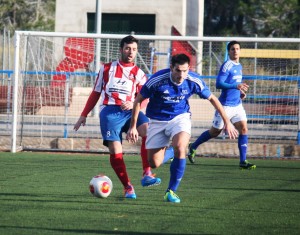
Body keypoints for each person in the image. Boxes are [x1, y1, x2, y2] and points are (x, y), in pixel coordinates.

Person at [126, 53, 238, 203]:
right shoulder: (158, 80)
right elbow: (138, 100)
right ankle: (171, 152)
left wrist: (227, 121)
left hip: (180, 117)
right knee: (154, 163)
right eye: (178, 70)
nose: (181, 74)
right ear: (171, 67)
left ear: (188, 69)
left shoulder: (193, 80)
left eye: (185, 71)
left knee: (180, 146)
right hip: (157, 120)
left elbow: (213, 99)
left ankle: (171, 191)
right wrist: (133, 126)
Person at [74, 35, 165, 199]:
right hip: (110, 112)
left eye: (134, 49)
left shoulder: (139, 74)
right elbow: (95, 92)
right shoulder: (106, 69)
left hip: (131, 111)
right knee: (116, 151)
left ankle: (147, 174)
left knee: (149, 131)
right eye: (128, 48)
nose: (131, 52)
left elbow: (145, 98)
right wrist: (83, 115)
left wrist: (134, 104)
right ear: (121, 49)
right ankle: (128, 187)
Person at [187, 40, 256, 170]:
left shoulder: (239, 66)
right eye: (232, 49)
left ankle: (243, 161)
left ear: (240, 51)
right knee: (214, 132)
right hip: (224, 106)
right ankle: (193, 146)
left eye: (237, 49)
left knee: (244, 129)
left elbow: (236, 84)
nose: (235, 51)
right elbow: (219, 84)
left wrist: (240, 92)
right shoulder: (227, 65)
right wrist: (236, 86)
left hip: (237, 105)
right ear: (229, 52)